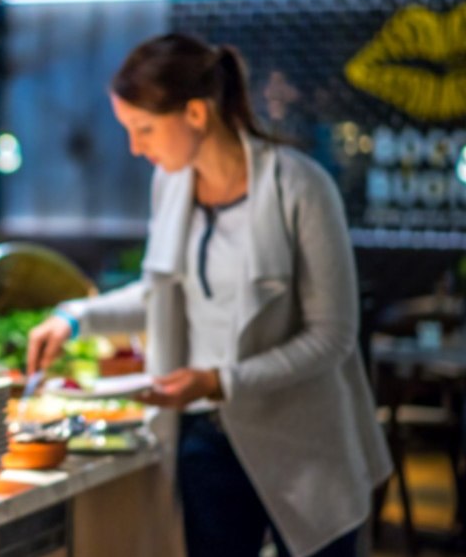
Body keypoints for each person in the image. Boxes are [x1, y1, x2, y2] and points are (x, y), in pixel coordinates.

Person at [26, 34, 392, 557]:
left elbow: (332, 337)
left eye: (144, 129)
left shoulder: (301, 186)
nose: (136, 147)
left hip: (304, 440)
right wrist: (74, 318)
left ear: (196, 113)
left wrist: (221, 380)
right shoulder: (170, 184)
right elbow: (161, 296)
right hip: (206, 437)